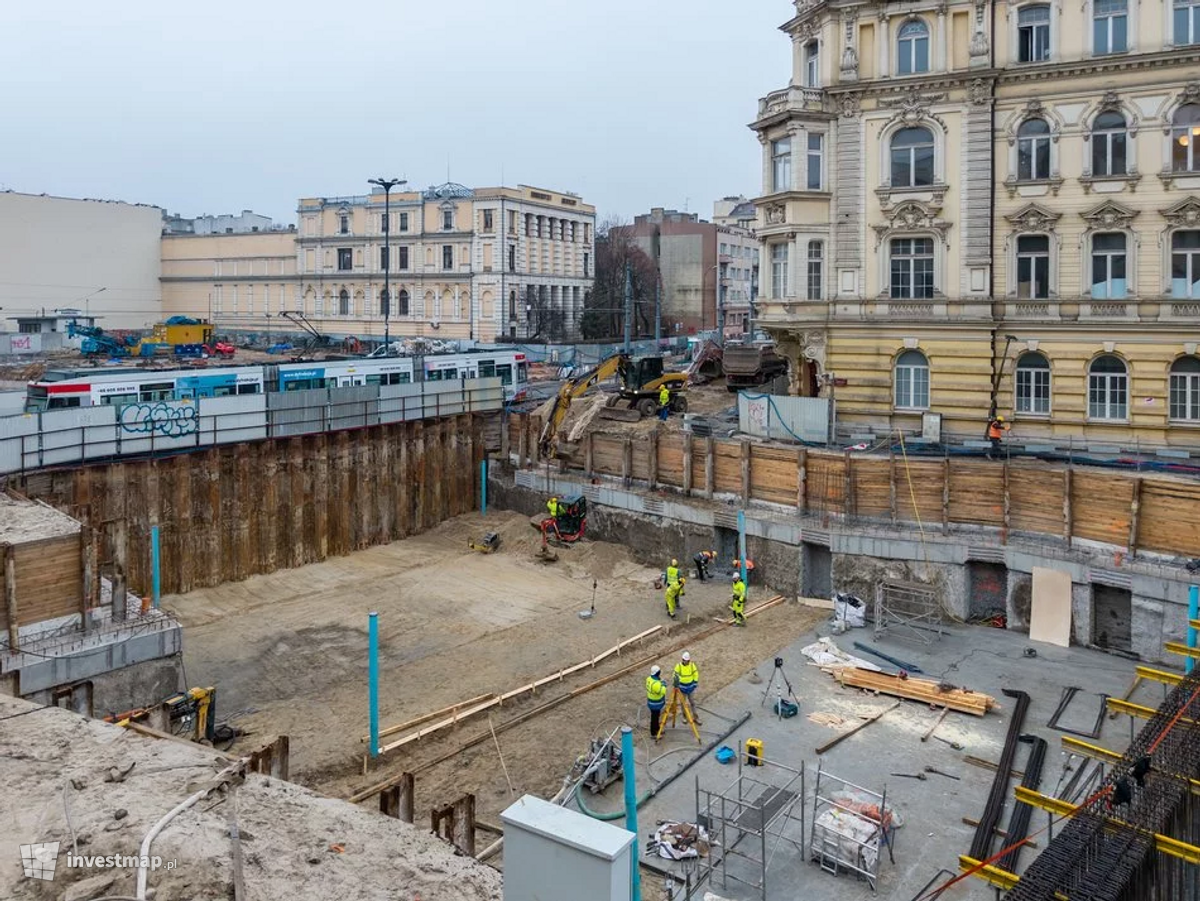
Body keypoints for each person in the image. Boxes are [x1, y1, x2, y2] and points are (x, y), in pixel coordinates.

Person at [673, 651, 701, 724]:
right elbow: (675, 675)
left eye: (688, 661)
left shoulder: (692, 665)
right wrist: (677, 684)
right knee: (683, 704)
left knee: (693, 703)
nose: (687, 662)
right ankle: (684, 717)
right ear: (682, 659)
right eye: (685, 660)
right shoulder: (678, 666)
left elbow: (696, 674)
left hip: (690, 688)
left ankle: (696, 718)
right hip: (682, 688)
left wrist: (695, 682)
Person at [646, 665, 667, 738]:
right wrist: (664, 685)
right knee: (654, 718)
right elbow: (662, 692)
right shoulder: (656, 684)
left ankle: (657, 729)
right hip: (656, 704)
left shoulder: (649, 679)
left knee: (656, 717)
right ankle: (653, 734)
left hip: (651, 702)